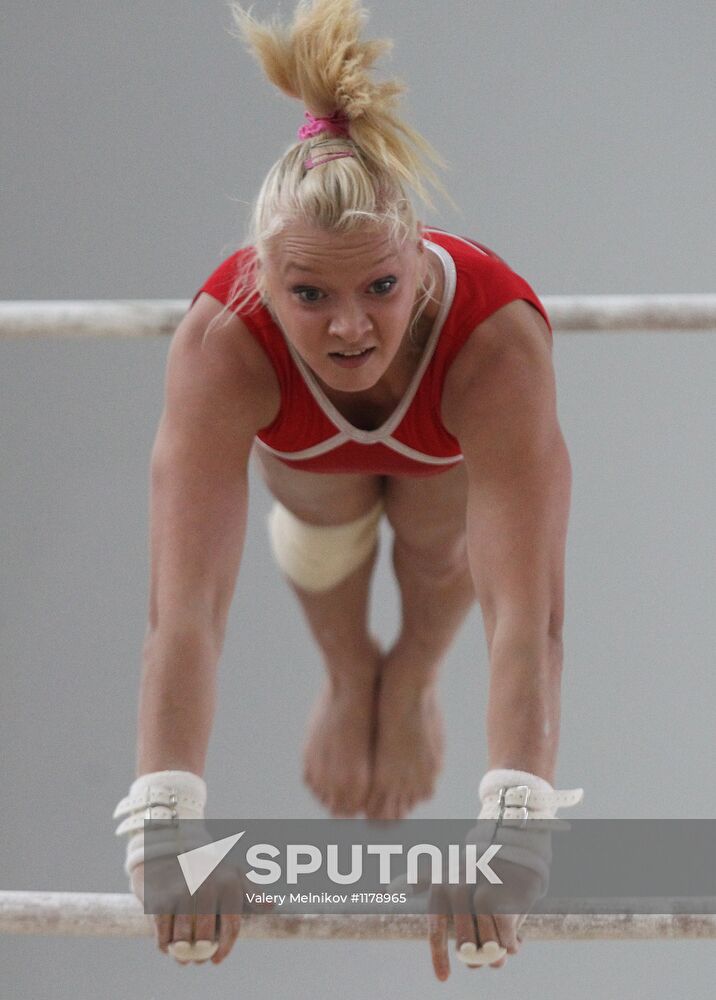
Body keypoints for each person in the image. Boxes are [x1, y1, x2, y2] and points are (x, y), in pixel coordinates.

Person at [112, 0, 583, 976]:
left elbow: (525, 615)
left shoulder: (494, 343)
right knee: (324, 509)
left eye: (377, 286)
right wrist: (164, 831)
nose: (349, 329)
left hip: (442, 470)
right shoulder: (220, 345)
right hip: (311, 470)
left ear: (419, 254)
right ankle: (346, 671)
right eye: (309, 295)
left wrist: (511, 837)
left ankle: (405, 674)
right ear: (258, 280)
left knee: (438, 533)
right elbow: (183, 610)